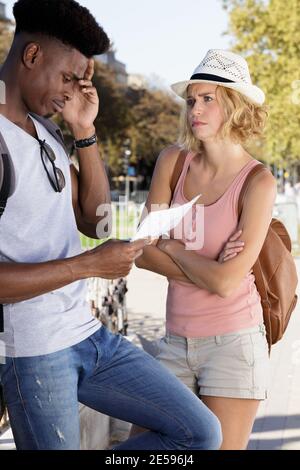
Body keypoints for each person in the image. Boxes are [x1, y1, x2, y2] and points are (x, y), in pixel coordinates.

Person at [0, 1, 222, 450]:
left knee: (199, 433)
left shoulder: (44, 130)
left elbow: (95, 221)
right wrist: (87, 267)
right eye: (68, 78)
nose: (70, 93)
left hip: (87, 335)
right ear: (31, 55)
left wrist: (84, 130)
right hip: (32, 354)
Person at [134, 49, 277, 450]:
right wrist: (209, 269)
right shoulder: (173, 163)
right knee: (142, 450)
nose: (195, 108)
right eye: (191, 99)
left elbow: (229, 284)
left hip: (233, 345)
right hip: (174, 342)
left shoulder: (257, 183)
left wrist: (174, 248)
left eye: (208, 98)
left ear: (234, 105)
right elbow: (142, 253)